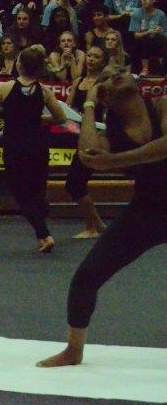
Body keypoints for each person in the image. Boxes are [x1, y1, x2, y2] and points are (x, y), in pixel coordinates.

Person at [37, 66, 167, 368]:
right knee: (85, 279)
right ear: (105, 94)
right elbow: (88, 154)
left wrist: (115, 160)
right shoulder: (112, 133)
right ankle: (74, 350)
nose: (117, 72)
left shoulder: (162, 106)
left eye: (120, 70)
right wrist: (89, 103)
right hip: (147, 211)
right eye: (106, 76)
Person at [0, 45, 66, 253]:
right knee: (36, 191)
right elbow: (61, 118)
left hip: (15, 147)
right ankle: (42, 232)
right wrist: (37, 117)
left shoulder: (5, 88)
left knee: (21, 194)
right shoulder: (44, 91)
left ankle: (44, 234)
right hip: (37, 146)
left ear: (20, 66)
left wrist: (6, 113)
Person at [64, 45, 109, 240]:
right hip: (79, 134)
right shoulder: (78, 81)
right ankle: (97, 225)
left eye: (96, 57)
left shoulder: (103, 85)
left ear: (102, 61)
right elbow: (68, 110)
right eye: (89, 55)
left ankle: (93, 227)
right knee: (77, 182)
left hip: (95, 137)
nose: (90, 59)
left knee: (74, 183)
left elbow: (108, 112)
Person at [129, 0, 167, 75]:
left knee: (160, 38)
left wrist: (160, 32)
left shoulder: (161, 14)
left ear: (154, 0)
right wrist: (148, 32)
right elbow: (136, 35)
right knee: (146, 39)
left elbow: (165, 33)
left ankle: (164, 69)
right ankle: (145, 69)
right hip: (141, 42)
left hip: (158, 41)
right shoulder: (137, 13)